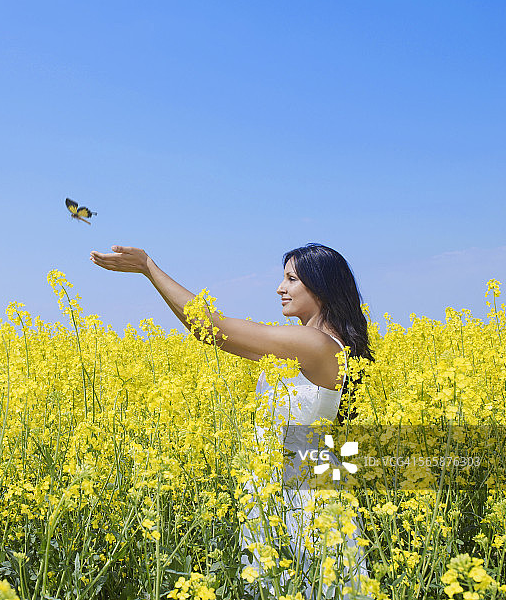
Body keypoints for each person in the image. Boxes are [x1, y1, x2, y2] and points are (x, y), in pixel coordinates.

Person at [90, 242, 374, 594]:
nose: (280, 288)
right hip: (276, 482)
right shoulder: (304, 344)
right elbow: (209, 335)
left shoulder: (315, 345)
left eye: (291, 279)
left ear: (322, 287)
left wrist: (149, 267)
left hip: (304, 492)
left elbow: (210, 324)